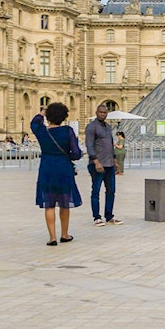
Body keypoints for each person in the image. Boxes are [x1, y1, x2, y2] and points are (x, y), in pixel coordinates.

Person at [33, 103, 82, 246]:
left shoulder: (41, 131)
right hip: (63, 169)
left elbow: (34, 123)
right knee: (64, 203)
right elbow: (77, 153)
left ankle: (52, 237)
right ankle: (65, 234)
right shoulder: (68, 131)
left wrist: (42, 112)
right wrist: (70, 155)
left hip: (46, 169)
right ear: (63, 116)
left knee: (49, 204)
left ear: (48, 117)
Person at [85, 104, 121, 226]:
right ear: (96, 112)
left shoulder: (108, 127)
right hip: (98, 164)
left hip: (109, 164)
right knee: (96, 191)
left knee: (111, 191)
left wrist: (115, 161)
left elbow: (111, 144)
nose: (103, 114)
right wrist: (96, 161)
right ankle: (96, 217)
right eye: (101, 112)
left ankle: (109, 215)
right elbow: (89, 146)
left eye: (105, 113)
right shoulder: (91, 127)